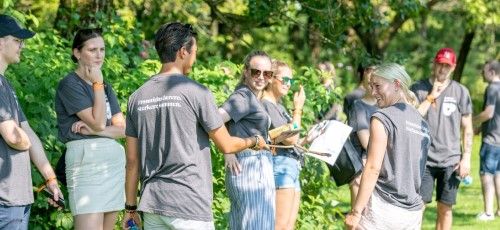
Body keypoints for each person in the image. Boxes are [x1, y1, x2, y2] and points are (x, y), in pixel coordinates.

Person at [122, 23, 268, 229]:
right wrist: (254, 141)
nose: (195, 58)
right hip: (189, 204)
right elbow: (226, 145)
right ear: (183, 52)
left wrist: (130, 208)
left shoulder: (136, 98)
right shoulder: (196, 92)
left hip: (153, 205)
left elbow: (132, 161)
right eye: (195, 52)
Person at [345, 63, 431, 229]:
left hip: (383, 209)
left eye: (377, 86)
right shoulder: (422, 123)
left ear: (397, 84)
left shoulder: (382, 118)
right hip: (412, 213)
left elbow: (372, 168)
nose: (373, 92)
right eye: (371, 86)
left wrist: (356, 212)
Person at [54, 28, 125, 229]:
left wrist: (94, 130)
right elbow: (99, 122)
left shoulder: (105, 86)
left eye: (102, 49)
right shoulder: (70, 84)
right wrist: (97, 84)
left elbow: (123, 130)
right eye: (92, 49)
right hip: (87, 165)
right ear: (77, 53)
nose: (99, 55)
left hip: (111, 168)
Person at [0, 14, 62, 229]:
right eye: (17, 40)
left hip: (16, 200)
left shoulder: (5, 85)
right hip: (4, 201)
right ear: (0, 42)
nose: (22, 46)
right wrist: (22, 138)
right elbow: (16, 138)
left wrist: (50, 180)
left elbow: (28, 133)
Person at [411, 47, 473, 230]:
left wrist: (467, 157)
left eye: (447, 66)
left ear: (453, 67)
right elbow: (410, 118)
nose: (442, 69)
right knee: (418, 207)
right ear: (434, 63)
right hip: (423, 159)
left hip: (450, 160)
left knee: (445, 208)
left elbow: (467, 127)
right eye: (440, 64)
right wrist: (430, 97)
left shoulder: (461, 92)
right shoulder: (418, 89)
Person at [219, 50, 275, 229]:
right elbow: (213, 120)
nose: (261, 77)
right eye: (255, 72)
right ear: (245, 71)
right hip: (251, 168)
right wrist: (227, 149)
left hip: (252, 167)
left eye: (267, 73)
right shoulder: (243, 97)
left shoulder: (249, 96)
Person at [261, 60, 305, 230]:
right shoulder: (266, 105)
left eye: (291, 81)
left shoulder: (279, 106)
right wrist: (298, 109)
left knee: (288, 226)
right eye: (285, 79)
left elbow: (293, 140)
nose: (289, 84)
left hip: (291, 165)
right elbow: (291, 138)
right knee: (280, 226)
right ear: (271, 78)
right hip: (280, 166)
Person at [347, 64, 377, 208]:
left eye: (376, 83)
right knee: (357, 216)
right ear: (364, 82)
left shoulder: (385, 107)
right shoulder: (358, 106)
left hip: (377, 168)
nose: (372, 86)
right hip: (360, 168)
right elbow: (366, 142)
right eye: (369, 82)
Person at [473, 60, 500, 221]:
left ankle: (488, 212)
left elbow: (488, 113)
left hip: (491, 141)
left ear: (491, 72)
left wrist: (470, 121)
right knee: (498, 174)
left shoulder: (491, 88)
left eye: (484, 71)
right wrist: (479, 129)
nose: (482, 74)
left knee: (486, 175)